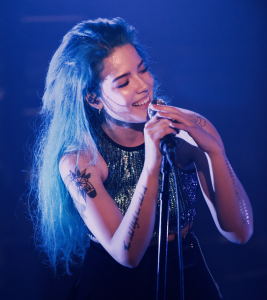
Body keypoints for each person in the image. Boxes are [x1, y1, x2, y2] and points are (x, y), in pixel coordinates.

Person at [29, 17, 253, 299]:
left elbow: (240, 232)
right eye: (123, 82)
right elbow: (128, 255)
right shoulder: (80, 160)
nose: (143, 85)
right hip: (115, 284)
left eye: (143, 70)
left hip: (186, 271)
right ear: (93, 99)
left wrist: (216, 153)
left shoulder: (189, 128)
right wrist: (151, 163)